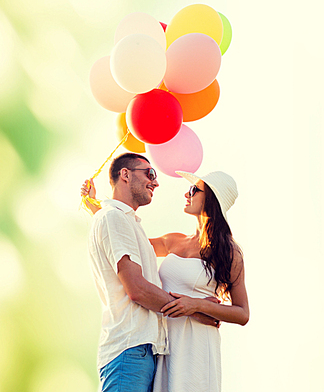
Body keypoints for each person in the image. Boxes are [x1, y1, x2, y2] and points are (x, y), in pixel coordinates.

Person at [82, 168, 249, 392]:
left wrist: (196, 305)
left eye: (194, 190)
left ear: (212, 200)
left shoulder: (229, 252)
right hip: (165, 340)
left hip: (197, 341)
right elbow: (127, 237)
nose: (186, 194)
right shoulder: (173, 240)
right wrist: (96, 206)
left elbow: (242, 313)